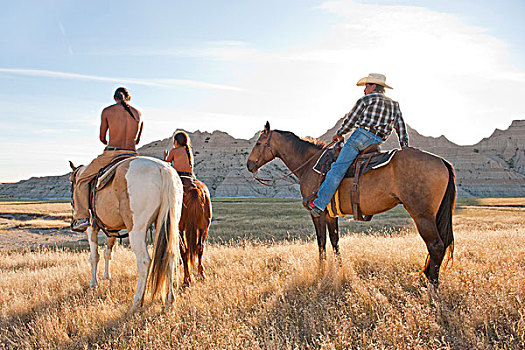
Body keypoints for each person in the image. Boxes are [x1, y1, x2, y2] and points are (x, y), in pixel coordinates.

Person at [306, 73, 409, 217]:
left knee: (338, 168)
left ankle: (319, 204)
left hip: (360, 137)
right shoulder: (394, 104)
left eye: (367, 85)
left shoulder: (366, 99)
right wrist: (404, 146)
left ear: (374, 86)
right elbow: (400, 127)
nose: (365, 89)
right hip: (376, 141)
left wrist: (340, 133)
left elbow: (351, 119)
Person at [71, 87, 143, 231]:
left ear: (115, 98)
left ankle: (82, 217)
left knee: (82, 179)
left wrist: (112, 140)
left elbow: (103, 138)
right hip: (133, 155)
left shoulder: (107, 111)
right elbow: (137, 141)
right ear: (129, 99)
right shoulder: (138, 113)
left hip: (112, 153)